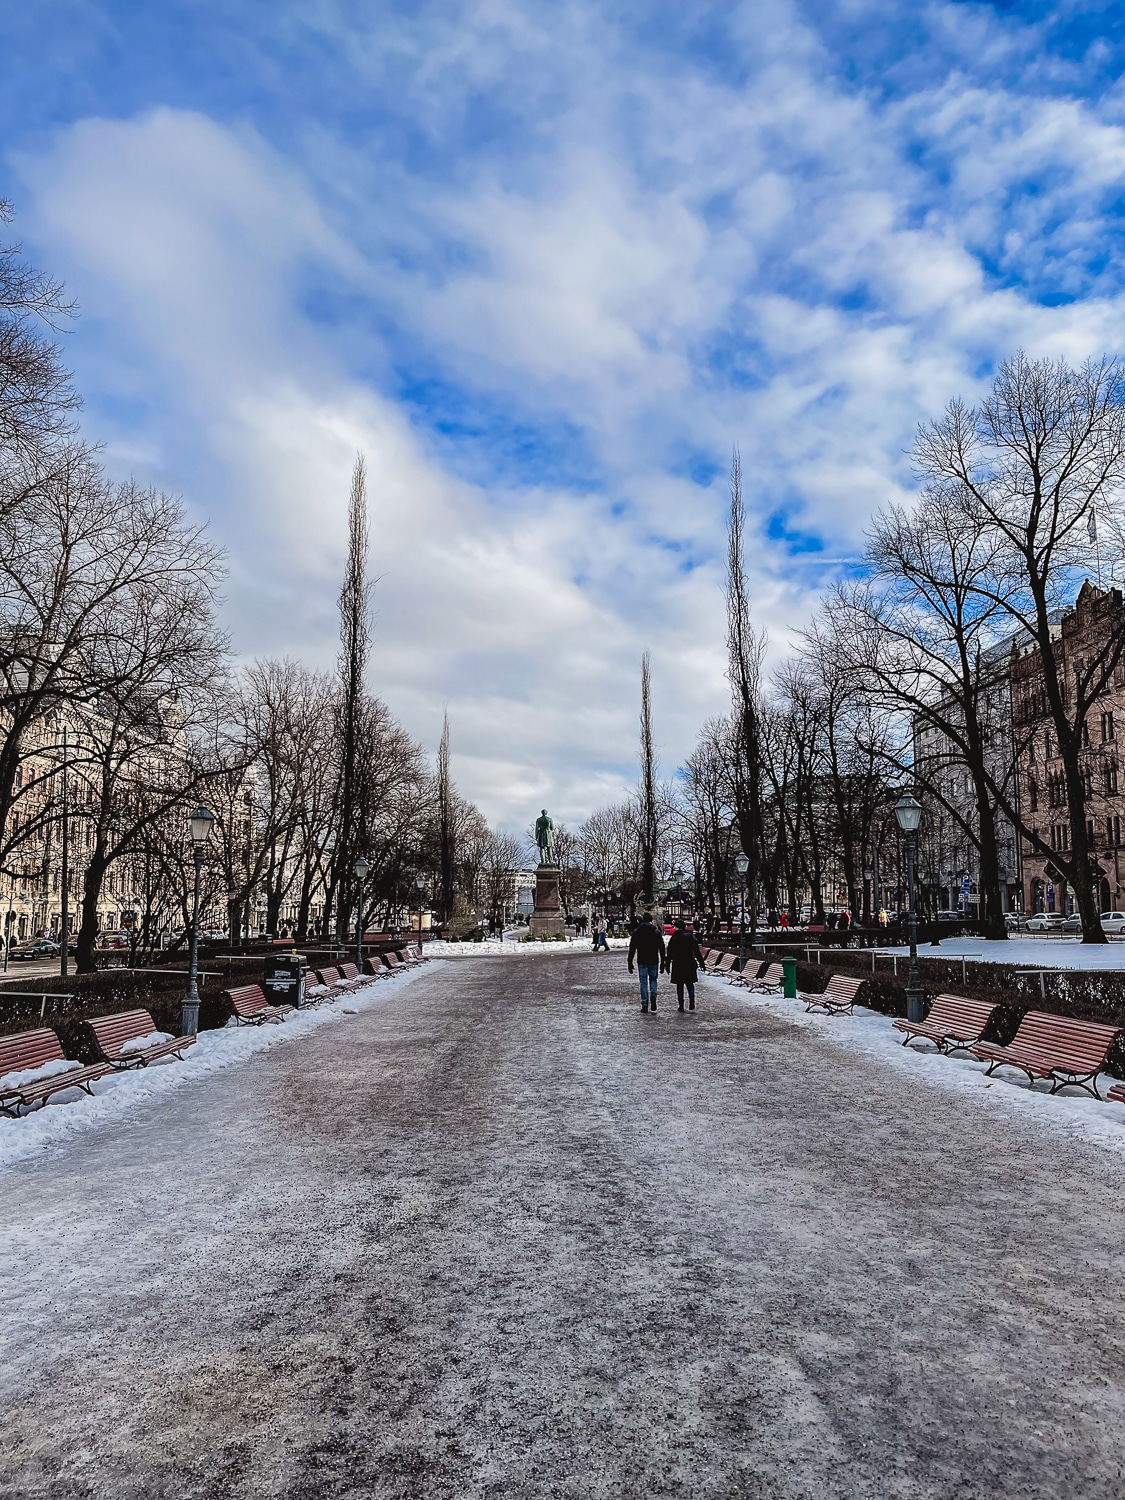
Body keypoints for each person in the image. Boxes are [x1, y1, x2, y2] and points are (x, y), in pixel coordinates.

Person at [627, 912, 666, 1012]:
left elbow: (632, 948)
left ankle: (645, 1004)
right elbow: (661, 947)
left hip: (642, 960)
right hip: (653, 960)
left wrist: (630, 961)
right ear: (650, 920)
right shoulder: (656, 932)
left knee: (643, 983)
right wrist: (663, 961)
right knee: (653, 979)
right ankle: (653, 995)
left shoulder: (637, 932)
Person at [666, 918, 705, 1011]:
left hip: (678, 964)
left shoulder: (674, 938)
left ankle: (681, 1005)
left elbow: (670, 953)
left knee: (679, 986)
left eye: (675, 927)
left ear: (678, 927)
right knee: (690, 983)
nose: (674, 928)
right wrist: (701, 963)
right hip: (690, 963)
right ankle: (692, 1000)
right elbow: (697, 952)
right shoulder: (691, 936)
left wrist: (667, 965)